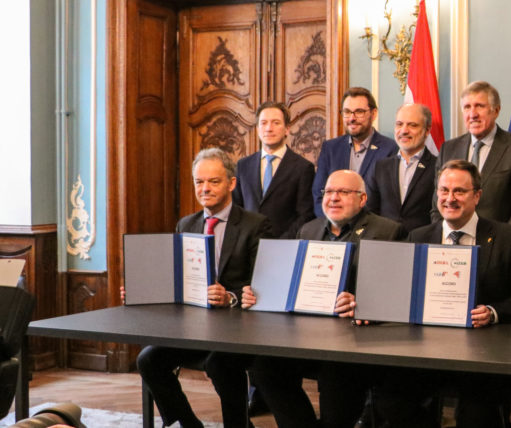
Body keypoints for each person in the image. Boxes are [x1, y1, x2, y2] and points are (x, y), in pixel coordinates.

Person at [244, 169, 406, 428]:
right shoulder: (308, 230)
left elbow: (396, 291)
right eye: (329, 191)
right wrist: (260, 293)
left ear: (362, 199)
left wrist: (362, 302)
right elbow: (289, 281)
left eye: (343, 192)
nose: (333, 198)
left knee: (337, 377)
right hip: (305, 337)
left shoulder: (387, 231)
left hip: (354, 343)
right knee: (263, 366)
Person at [378, 159, 511, 428]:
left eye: (459, 191)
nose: (450, 198)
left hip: (484, 355)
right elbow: (399, 291)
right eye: (444, 190)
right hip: (425, 351)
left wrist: (493, 312)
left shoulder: (507, 237)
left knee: (477, 415)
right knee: (390, 398)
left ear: (477, 196)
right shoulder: (418, 237)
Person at [134, 148, 272, 428]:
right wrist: (143, 291)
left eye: (213, 181)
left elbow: (265, 284)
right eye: (199, 182)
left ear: (231, 183)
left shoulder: (256, 225)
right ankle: (188, 424)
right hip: (195, 330)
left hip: (240, 331)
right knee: (148, 359)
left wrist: (230, 297)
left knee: (220, 364)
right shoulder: (186, 224)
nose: (205, 188)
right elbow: (176, 279)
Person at [432, 81, 511, 236]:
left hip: (498, 243)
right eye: (467, 107)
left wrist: (500, 243)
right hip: (452, 242)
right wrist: (447, 239)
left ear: (496, 110)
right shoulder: (448, 149)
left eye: (479, 106)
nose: (473, 114)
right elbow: (437, 207)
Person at [232, 101, 316, 238]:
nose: (268, 128)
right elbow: (236, 209)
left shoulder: (303, 168)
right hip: (247, 244)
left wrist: (280, 243)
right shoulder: (243, 166)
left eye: (276, 123)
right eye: (263, 123)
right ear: (257, 129)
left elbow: (305, 215)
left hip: (284, 244)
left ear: (287, 129)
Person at [312, 87, 399, 212]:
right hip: (333, 222)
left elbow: (388, 201)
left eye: (359, 112)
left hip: (372, 223)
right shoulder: (330, 148)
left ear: (373, 114)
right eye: (347, 112)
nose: (352, 118)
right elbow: (319, 194)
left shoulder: (390, 149)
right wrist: (333, 221)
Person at [366, 103, 437, 233]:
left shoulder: (438, 167)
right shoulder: (380, 167)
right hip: (385, 241)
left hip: (422, 241)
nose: (404, 131)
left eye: (412, 125)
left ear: (427, 130)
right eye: (399, 124)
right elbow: (369, 213)